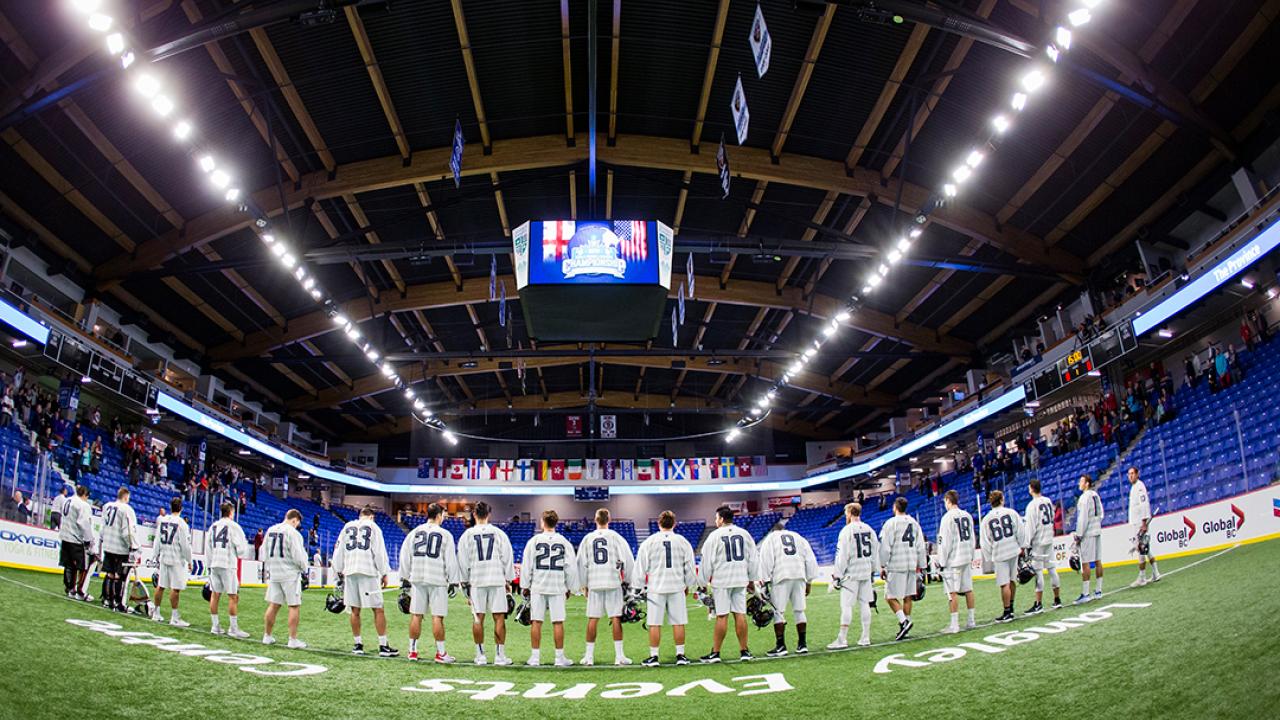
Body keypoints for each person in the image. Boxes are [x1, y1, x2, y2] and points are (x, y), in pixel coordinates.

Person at [398, 502, 459, 663]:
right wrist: (453, 581)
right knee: (437, 617)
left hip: (417, 578)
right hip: (437, 578)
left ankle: (412, 651)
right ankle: (440, 653)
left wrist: (404, 577)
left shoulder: (414, 533)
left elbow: (405, 556)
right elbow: (451, 560)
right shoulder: (445, 535)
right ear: (439, 515)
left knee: (416, 615)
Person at [332, 505, 396, 657]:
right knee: (378, 608)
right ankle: (383, 645)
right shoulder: (373, 527)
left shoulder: (347, 527)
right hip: (368, 570)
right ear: (372, 517)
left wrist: (338, 572)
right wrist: (384, 572)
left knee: (355, 610)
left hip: (350, 571)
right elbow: (379, 552)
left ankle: (358, 644)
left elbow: (338, 551)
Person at [457, 501, 516, 666]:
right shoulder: (499, 534)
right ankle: (500, 656)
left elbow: (462, 561)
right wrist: (508, 580)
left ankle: (480, 655)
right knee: (499, 618)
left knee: (478, 618)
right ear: (488, 514)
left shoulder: (467, 535)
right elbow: (507, 558)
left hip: (477, 580)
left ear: (474, 514)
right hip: (496, 579)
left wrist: (465, 584)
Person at [635, 510, 696, 667]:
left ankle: (654, 656)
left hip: (656, 588)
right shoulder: (682, 541)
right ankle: (680, 655)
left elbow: (640, 567)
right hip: (676, 586)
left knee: (655, 623)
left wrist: (639, 587)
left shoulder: (649, 542)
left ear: (658, 523)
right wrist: (689, 584)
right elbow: (689, 566)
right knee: (678, 622)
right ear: (674, 523)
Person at [699, 505, 759, 663]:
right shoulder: (745, 534)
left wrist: (702, 582)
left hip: (722, 580)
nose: (715, 521)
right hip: (740, 579)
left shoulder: (714, 536)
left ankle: (716, 653)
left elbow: (706, 562)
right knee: (740, 614)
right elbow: (753, 559)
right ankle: (744, 650)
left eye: (716, 518)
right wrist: (751, 580)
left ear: (721, 519)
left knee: (722, 616)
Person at [520, 510, 579, 667]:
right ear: (556, 523)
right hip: (557, 585)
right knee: (558, 622)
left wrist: (525, 585)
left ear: (542, 522)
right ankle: (559, 658)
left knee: (536, 621)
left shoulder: (534, 541)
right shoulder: (564, 541)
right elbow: (571, 567)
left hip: (538, 585)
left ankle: (535, 657)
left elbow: (527, 565)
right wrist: (570, 587)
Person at [576, 507, 635, 666]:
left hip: (594, 581)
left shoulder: (588, 538)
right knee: (615, 617)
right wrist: (628, 581)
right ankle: (619, 656)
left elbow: (581, 563)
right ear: (609, 519)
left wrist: (583, 585)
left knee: (593, 619)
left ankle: (589, 657)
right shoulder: (616, 537)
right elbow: (628, 560)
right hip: (612, 581)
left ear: (595, 520)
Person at [756, 524, 818, 656]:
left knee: (778, 612)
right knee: (799, 610)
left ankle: (781, 646)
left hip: (781, 576)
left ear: (774, 530)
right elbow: (810, 559)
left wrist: (764, 582)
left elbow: (766, 559)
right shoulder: (798, 537)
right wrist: (809, 581)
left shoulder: (771, 538)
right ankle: (802, 644)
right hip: (799, 575)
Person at [829, 502, 879, 649]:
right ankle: (865, 637)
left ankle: (842, 639)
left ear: (850, 513)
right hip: (865, 571)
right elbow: (875, 551)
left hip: (851, 574)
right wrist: (874, 569)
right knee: (865, 604)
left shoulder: (846, 531)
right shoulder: (869, 529)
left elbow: (842, 555)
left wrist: (837, 575)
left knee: (846, 606)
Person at [879, 497, 925, 641]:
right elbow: (921, 546)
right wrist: (921, 565)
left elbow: (885, 547)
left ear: (895, 507)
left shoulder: (891, 523)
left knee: (889, 596)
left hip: (896, 564)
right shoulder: (914, 523)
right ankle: (906, 625)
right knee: (908, 596)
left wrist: (882, 564)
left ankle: (904, 622)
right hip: (911, 563)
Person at [262, 509, 309, 648]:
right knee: (294, 606)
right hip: (289, 573)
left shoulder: (270, 529)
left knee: (273, 604)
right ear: (295, 520)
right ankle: (292, 639)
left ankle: (267, 636)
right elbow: (298, 556)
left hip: (275, 571)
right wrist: (304, 569)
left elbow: (263, 551)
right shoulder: (293, 533)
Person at [980, 490, 1026, 623]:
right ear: (1001, 500)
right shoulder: (1011, 513)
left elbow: (985, 541)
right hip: (1012, 549)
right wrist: (1021, 545)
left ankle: (1007, 611)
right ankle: (1011, 607)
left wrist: (990, 555)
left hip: (1000, 552)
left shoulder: (987, 518)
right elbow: (1020, 530)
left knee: (1003, 583)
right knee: (1012, 580)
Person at [936, 490, 977, 634]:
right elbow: (972, 538)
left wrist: (941, 561)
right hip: (966, 556)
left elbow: (944, 543)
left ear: (948, 500)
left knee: (952, 592)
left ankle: (954, 625)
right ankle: (971, 620)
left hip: (953, 560)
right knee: (968, 589)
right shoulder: (967, 515)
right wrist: (971, 555)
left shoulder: (947, 518)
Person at [207, 502, 249, 638]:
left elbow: (208, 548)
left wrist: (209, 564)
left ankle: (215, 625)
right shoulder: (234, 527)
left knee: (215, 594)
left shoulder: (213, 526)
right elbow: (241, 549)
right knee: (233, 596)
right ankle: (233, 628)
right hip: (227, 563)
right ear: (231, 512)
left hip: (214, 562)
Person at [150, 496, 192, 626]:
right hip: (176, 558)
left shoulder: (162, 521)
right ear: (181, 508)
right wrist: (189, 560)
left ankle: (156, 613)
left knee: (161, 585)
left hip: (164, 556)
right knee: (175, 588)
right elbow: (185, 545)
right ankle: (174, 617)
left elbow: (157, 539)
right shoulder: (182, 524)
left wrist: (155, 555)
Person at [1023, 479, 1062, 612]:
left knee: (1038, 572)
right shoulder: (1048, 501)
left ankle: (1038, 603)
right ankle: (1057, 599)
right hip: (1048, 539)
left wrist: (1026, 544)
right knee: (1052, 569)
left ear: (1031, 489)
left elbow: (1030, 528)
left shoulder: (1032, 506)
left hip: (1038, 542)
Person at [98, 487, 138, 612]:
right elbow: (128, 532)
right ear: (126, 497)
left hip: (108, 545)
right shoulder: (127, 509)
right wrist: (133, 547)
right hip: (120, 548)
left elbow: (102, 527)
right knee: (120, 576)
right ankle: (118, 602)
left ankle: (107, 600)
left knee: (109, 574)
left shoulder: (107, 506)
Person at [58, 484, 95, 600]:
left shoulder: (67, 500)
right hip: (75, 539)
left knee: (68, 565)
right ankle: (79, 591)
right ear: (85, 495)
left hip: (65, 536)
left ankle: (69, 588)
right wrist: (89, 540)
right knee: (82, 566)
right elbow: (84, 523)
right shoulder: (83, 505)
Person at [1127, 467, 1162, 586]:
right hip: (1137, 522)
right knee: (1146, 549)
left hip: (1140, 523)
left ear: (1137, 474)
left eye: (1132, 473)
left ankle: (1142, 578)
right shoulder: (1133, 488)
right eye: (1129, 474)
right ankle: (1156, 573)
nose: (1130, 476)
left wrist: (1143, 523)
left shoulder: (1140, 487)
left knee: (1141, 549)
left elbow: (1144, 505)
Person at [1073, 474, 1105, 604]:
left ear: (1087, 483)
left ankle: (1086, 593)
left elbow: (1083, 518)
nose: (1079, 483)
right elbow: (1101, 513)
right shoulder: (1095, 495)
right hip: (1097, 530)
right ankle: (1098, 591)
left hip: (1088, 533)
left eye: (1081, 481)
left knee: (1085, 562)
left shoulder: (1084, 498)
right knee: (1098, 561)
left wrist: (1079, 535)